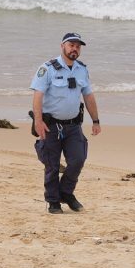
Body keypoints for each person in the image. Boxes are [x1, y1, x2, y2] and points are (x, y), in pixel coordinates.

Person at [30, 31, 102, 214]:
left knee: (78, 160)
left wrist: (96, 120)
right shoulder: (47, 69)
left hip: (73, 126)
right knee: (52, 165)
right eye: (71, 45)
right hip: (51, 125)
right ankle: (53, 201)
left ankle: (66, 193)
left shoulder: (82, 69)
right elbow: (38, 96)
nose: (74, 49)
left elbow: (88, 96)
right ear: (62, 46)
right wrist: (38, 121)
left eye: (78, 46)